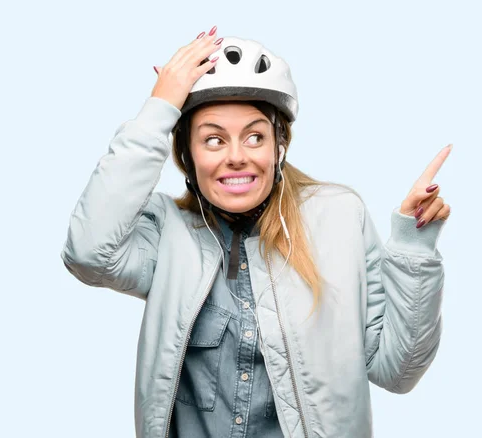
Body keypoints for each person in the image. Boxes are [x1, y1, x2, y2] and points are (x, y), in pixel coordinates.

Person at [61, 26, 452, 438]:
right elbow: (88, 253)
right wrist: (160, 109)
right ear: (187, 155)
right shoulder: (165, 232)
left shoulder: (338, 217)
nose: (236, 157)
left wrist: (414, 246)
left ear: (278, 145)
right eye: (213, 140)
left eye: (254, 137)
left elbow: (397, 371)